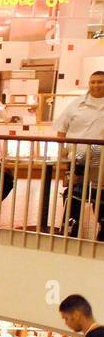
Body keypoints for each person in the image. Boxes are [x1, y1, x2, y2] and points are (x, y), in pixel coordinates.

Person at [51, 70, 104, 239]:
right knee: (75, 191)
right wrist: (62, 155)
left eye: (100, 82)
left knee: (100, 193)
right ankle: (70, 224)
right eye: (93, 81)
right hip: (77, 159)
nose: (96, 85)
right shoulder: (76, 104)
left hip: (102, 160)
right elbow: (61, 130)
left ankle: (102, 225)